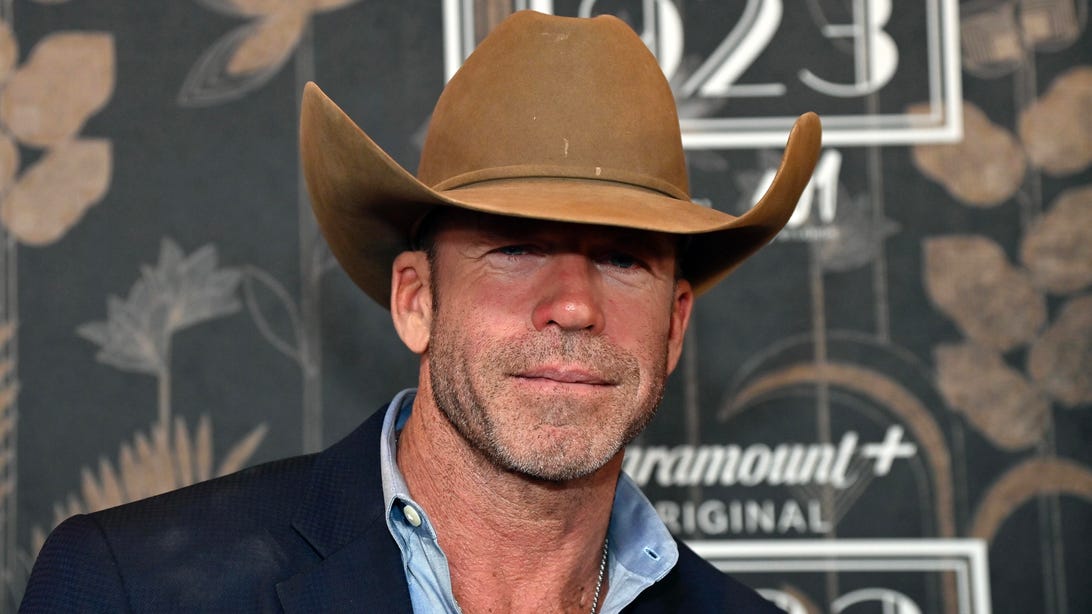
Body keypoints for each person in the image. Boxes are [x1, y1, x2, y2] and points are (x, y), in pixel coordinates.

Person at [21, 10, 819, 613]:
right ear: (416, 300)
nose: (575, 304)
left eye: (623, 259)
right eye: (516, 247)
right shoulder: (133, 588)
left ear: (674, 326)